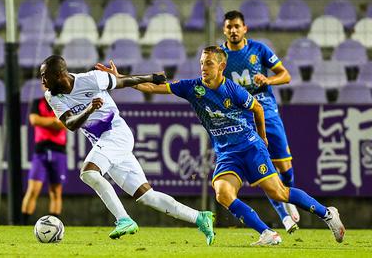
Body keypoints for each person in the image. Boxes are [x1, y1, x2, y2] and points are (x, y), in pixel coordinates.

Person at [96, 46, 345, 246]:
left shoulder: (233, 90)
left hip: (249, 147)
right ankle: (268, 233)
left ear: (221, 66)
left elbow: (257, 108)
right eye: (202, 63)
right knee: (222, 193)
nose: (204, 68)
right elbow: (151, 86)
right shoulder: (193, 88)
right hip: (227, 153)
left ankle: (327, 214)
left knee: (278, 193)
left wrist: (263, 137)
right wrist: (120, 80)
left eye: (209, 63)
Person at [41, 55, 215, 245]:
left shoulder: (91, 79)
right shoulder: (52, 95)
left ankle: (123, 220)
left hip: (117, 133)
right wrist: (89, 110)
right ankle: (199, 217)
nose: (43, 81)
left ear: (59, 75)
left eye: (45, 76)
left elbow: (122, 82)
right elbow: (70, 124)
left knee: (88, 172)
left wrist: (150, 77)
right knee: (147, 196)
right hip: (105, 143)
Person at [221, 10, 300, 232]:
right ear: (224, 30)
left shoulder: (259, 49)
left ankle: (289, 197)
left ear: (244, 28)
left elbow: (285, 75)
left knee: (284, 166)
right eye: (229, 27)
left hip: (267, 111)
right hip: (242, 118)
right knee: (262, 169)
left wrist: (268, 79)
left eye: (237, 26)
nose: (233, 30)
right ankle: (284, 217)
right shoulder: (221, 57)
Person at [21, 84, 67, 225]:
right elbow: (34, 120)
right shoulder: (37, 102)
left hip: (59, 151)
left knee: (56, 192)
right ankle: (21, 224)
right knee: (33, 190)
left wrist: (45, 122)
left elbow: (65, 124)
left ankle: (54, 226)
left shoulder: (64, 102)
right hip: (40, 151)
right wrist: (54, 121)